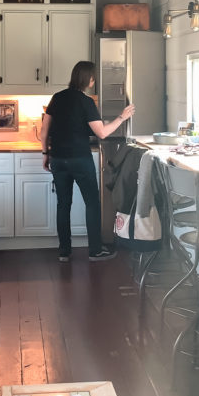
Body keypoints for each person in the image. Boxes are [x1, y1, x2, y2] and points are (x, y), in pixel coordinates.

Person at [40, 61, 135, 262]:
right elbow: (101, 132)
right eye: (93, 78)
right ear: (88, 79)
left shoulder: (57, 98)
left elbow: (44, 130)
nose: (94, 81)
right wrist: (122, 117)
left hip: (58, 159)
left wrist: (45, 154)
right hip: (80, 160)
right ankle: (95, 251)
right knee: (92, 203)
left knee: (63, 204)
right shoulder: (86, 101)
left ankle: (64, 252)